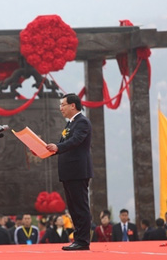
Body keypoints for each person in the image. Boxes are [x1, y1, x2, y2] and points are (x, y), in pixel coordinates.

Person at [46, 93, 93, 251]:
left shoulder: (82, 122)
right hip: (68, 172)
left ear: (73, 105)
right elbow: (62, 145)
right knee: (73, 207)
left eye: (63, 105)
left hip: (78, 171)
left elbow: (75, 141)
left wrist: (57, 147)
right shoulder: (70, 124)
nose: (60, 108)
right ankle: (78, 239)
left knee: (80, 206)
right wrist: (44, 150)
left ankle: (83, 241)